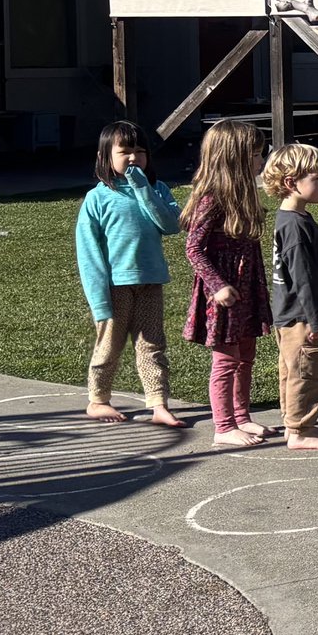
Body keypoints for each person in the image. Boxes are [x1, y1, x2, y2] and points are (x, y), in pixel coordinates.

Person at [74, 119, 185, 428]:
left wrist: (142, 188)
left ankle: (158, 403)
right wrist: (99, 300)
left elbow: (171, 225)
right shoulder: (97, 198)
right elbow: (89, 252)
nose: (134, 157)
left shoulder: (158, 190)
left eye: (140, 151)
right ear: (105, 157)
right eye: (124, 152)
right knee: (109, 345)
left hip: (150, 282)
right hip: (115, 287)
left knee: (152, 345)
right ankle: (98, 400)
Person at [182, 121, 274, 447]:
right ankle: (223, 426)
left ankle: (241, 416)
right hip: (224, 295)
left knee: (246, 356)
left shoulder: (244, 196)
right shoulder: (212, 199)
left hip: (247, 289)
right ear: (234, 158)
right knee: (226, 360)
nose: (261, 161)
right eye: (256, 154)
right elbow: (193, 249)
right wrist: (217, 285)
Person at [265, 142, 318, 450]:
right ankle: (298, 431)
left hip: (289, 314)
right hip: (301, 316)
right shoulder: (296, 226)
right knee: (308, 373)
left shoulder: (290, 218)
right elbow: (303, 279)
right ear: (290, 182)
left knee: (292, 370)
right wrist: (316, 321)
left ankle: (294, 424)